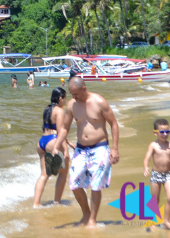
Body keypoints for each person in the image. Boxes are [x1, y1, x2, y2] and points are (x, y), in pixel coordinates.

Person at [53, 77, 120, 228]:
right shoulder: (72, 105)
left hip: (100, 147)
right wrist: (57, 145)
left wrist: (115, 149)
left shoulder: (99, 102)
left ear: (84, 88)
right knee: (74, 182)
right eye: (71, 94)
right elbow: (64, 128)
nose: (73, 97)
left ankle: (92, 220)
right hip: (81, 149)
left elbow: (114, 124)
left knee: (96, 185)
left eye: (75, 94)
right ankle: (86, 213)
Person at [33, 87, 73, 208]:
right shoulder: (60, 111)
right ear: (60, 98)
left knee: (44, 175)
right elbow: (61, 131)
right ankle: (57, 201)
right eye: (65, 99)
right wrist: (65, 150)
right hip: (54, 142)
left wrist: (68, 142)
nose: (65, 101)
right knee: (63, 173)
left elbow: (52, 128)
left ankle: (36, 204)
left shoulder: (47, 109)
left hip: (42, 142)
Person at [143, 118, 170, 229]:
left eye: (167, 132)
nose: (164, 134)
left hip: (168, 175)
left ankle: (166, 221)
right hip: (156, 175)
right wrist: (145, 167)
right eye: (161, 132)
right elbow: (147, 158)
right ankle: (152, 221)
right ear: (155, 132)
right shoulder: (153, 145)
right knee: (155, 200)